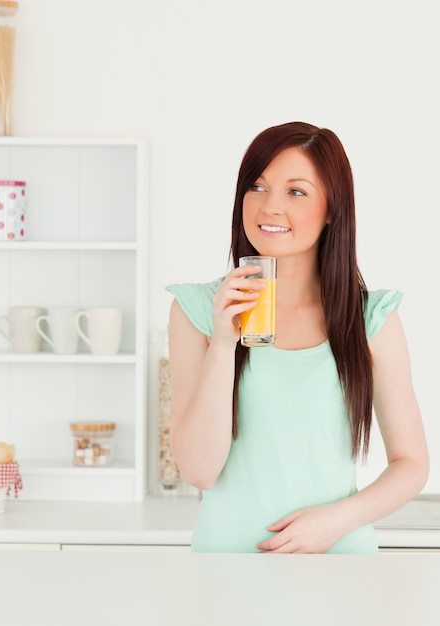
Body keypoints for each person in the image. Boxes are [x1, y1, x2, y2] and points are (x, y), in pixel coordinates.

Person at [166, 121, 429, 554]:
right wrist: (222, 342)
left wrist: (334, 522)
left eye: (297, 191)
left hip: (338, 567)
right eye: (258, 186)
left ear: (331, 209)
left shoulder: (370, 319)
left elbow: (412, 464)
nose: (270, 206)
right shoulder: (196, 310)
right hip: (228, 570)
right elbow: (199, 471)